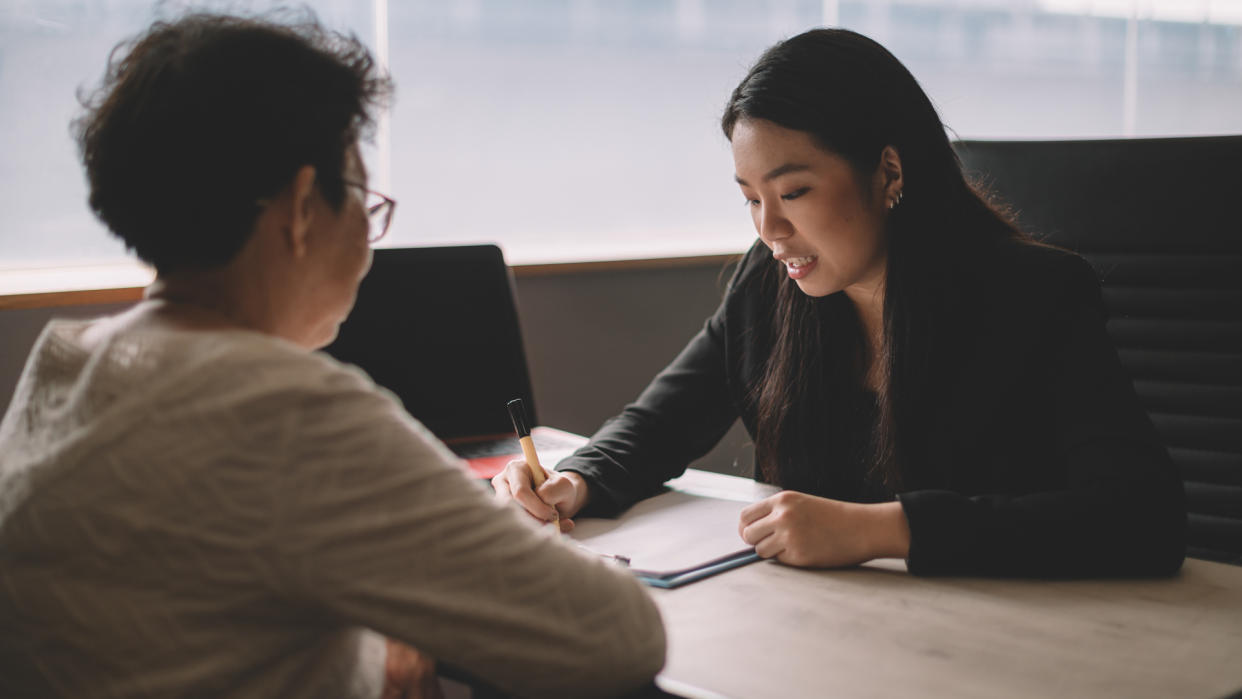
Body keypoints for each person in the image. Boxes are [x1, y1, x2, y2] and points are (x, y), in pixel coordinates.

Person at [0, 12, 664, 698]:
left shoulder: (63, 367)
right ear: (298, 209)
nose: (368, 232)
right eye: (359, 195)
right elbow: (620, 633)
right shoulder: (287, 409)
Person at [494, 28, 1186, 578]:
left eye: (792, 193)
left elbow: (1143, 518)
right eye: (749, 199)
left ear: (888, 170)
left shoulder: (1035, 295)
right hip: (822, 638)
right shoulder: (767, 288)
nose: (768, 230)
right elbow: (656, 427)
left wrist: (884, 529)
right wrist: (574, 479)